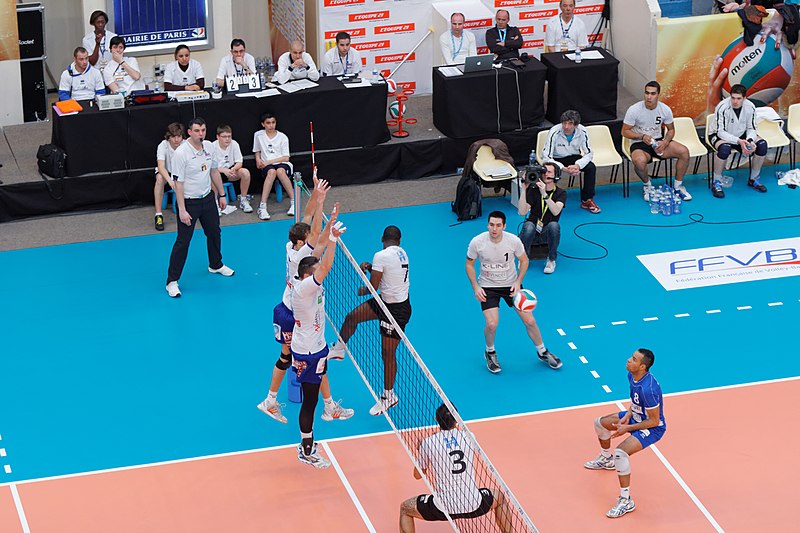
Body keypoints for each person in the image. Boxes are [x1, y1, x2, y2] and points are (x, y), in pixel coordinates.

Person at [258, 184, 354, 425]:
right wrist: (328, 225)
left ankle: (326, 404)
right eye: (307, 238)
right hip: (292, 314)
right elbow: (318, 240)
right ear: (301, 242)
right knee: (301, 359)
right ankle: (273, 401)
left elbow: (307, 219)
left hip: (284, 308)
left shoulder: (291, 245)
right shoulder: (302, 256)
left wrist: (318, 199)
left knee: (298, 359)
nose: (310, 238)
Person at [328, 225, 411, 416]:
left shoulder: (381, 255)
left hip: (396, 311)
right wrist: (371, 268)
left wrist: (362, 289)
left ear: (382, 239)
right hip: (385, 302)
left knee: (387, 353)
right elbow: (388, 273)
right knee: (352, 317)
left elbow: (372, 287)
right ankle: (340, 349)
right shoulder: (402, 253)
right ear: (398, 241)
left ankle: (389, 395)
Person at [465, 211, 561, 374]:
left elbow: (524, 260)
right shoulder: (477, 242)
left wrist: (517, 282)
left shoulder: (513, 241)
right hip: (488, 287)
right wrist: (476, 286)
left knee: (530, 321)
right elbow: (469, 264)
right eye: (491, 224)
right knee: (492, 324)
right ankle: (490, 352)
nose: (494, 229)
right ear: (488, 225)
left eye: (498, 225)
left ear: (504, 226)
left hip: (511, 285)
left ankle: (543, 351)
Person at [291, 205, 348, 468]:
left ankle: (328, 409)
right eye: (315, 271)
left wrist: (330, 227)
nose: (320, 274)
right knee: (308, 400)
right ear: (306, 275)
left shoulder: (307, 281)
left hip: (317, 347)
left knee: (314, 396)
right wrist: (335, 239)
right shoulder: (304, 289)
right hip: (307, 352)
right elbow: (326, 264)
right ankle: (306, 449)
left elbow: (320, 251)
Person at [399, 404, 512, 533]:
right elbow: (453, 448)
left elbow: (418, 475)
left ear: (436, 420)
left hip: (443, 508)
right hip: (473, 503)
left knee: (405, 508)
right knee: (500, 497)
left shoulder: (429, 443)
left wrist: (422, 452)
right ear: (456, 420)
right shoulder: (469, 437)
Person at [584, 348, 666, 519]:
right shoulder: (633, 376)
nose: (629, 360)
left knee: (621, 453)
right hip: (635, 417)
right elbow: (635, 401)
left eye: (634, 359)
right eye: (631, 357)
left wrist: (626, 428)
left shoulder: (648, 389)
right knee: (599, 423)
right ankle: (606, 459)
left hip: (651, 428)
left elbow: (653, 421)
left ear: (642, 367)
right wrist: (628, 414)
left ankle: (625, 500)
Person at [165, 117, 234, 298]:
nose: (201, 134)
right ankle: (172, 281)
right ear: (189, 132)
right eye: (197, 131)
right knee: (183, 242)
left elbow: (213, 171)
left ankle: (216, 264)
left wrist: (221, 194)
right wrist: (182, 210)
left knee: (214, 232)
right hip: (189, 202)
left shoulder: (210, 147)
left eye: (203, 130)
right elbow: (178, 183)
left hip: (207, 199)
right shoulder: (181, 154)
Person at [621, 81, 692, 202]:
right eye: (647, 93)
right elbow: (624, 132)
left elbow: (671, 130)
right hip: (639, 142)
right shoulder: (634, 110)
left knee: (684, 152)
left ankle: (678, 186)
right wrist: (642, 136)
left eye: (653, 94)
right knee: (639, 161)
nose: (649, 97)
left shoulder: (665, 109)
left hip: (658, 141)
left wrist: (665, 142)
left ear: (658, 95)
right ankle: (647, 185)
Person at [708, 84, 768, 198]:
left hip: (741, 135)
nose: (735, 101)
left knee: (762, 145)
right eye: (733, 98)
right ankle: (716, 182)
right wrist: (739, 141)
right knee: (724, 149)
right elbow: (721, 132)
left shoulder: (750, 107)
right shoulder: (722, 107)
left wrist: (750, 141)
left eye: (738, 98)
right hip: (718, 134)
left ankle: (753, 179)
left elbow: (751, 128)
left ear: (745, 98)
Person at [541, 109, 600, 214]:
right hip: (556, 158)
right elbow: (546, 156)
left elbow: (589, 153)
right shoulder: (554, 131)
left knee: (591, 167)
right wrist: (562, 168)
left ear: (576, 125)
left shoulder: (583, 131)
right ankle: (547, 200)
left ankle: (587, 200)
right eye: (564, 123)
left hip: (574, 157)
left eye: (570, 123)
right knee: (549, 170)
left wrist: (577, 165)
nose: (566, 126)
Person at [518, 163, 566, 275]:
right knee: (528, 225)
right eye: (544, 171)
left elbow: (555, 211)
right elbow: (522, 212)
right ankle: (524, 258)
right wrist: (524, 189)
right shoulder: (533, 190)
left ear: (556, 175)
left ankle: (551, 259)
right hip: (533, 230)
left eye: (549, 172)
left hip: (547, 232)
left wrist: (544, 193)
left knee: (554, 225)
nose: (546, 174)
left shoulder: (561, 193)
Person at [253, 112, 295, 220]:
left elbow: (286, 157)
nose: (271, 125)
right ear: (263, 124)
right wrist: (258, 160)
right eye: (268, 123)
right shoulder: (258, 135)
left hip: (282, 163)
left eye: (273, 122)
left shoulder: (283, 137)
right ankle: (262, 206)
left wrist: (268, 161)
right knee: (271, 172)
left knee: (280, 171)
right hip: (267, 166)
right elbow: (257, 151)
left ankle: (294, 202)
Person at [212, 125, 253, 213]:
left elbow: (239, 162)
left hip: (231, 171)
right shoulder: (212, 146)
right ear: (218, 137)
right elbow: (211, 166)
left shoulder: (234, 144)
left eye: (229, 136)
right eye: (224, 137)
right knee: (211, 174)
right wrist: (224, 170)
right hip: (217, 172)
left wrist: (234, 168)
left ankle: (243, 199)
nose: (227, 139)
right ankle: (215, 204)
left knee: (245, 172)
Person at [153, 122, 185, 231]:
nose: (176, 140)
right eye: (173, 137)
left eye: (179, 136)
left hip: (181, 172)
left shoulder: (186, 145)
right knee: (159, 179)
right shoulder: (163, 146)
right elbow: (161, 167)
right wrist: (170, 181)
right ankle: (158, 215)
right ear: (168, 137)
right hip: (167, 172)